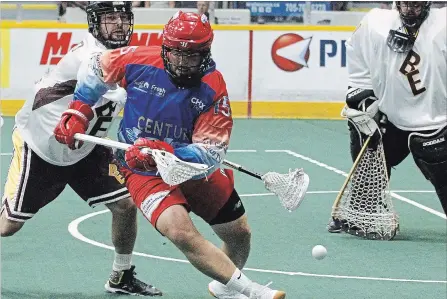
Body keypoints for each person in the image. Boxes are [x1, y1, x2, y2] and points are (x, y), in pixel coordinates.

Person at [54, 11, 287, 299]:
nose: (180, 62)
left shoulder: (213, 86)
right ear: (165, 47)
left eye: (190, 56)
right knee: (179, 231)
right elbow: (95, 69)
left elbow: (212, 152)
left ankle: (225, 288)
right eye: (175, 53)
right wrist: (79, 109)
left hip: (188, 166)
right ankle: (251, 291)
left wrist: (168, 151)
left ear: (205, 53)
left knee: (239, 234)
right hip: (140, 168)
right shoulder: (137, 59)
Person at [0, 1, 162, 296]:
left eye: (123, 18)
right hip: (41, 146)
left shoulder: (123, 55)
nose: (118, 25)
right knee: (7, 227)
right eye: (110, 18)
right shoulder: (87, 57)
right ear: (94, 23)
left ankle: (121, 276)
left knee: (125, 206)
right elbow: (128, 92)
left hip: (85, 147)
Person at [328, 1, 447, 234]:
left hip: (438, 123)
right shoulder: (375, 23)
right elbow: (357, 61)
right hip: (390, 120)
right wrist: (364, 99)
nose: (410, 10)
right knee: (364, 137)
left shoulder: (443, 24)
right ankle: (363, 212)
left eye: (416, 4)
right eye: (406, 4)